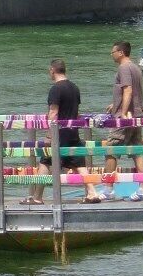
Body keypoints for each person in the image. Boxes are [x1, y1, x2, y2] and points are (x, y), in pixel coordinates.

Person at [23, 59, 103, 205]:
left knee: (45, 162)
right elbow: (76, 113)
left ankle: (37, 197)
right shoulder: (75, 88)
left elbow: (53, 112)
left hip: (59, 133)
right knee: (79, 163)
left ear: (52, 70)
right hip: (73, 132)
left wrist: (49, 134)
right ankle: (92, 192)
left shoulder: (56, 89)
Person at [103, 41, 143, 201]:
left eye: (113, 52)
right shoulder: (136, 67)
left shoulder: (123, 68)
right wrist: (114, 104)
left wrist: (122, 113)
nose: (112, 54)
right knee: (137, 150)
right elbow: (132, 92)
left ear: (121, 52)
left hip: (126, 117)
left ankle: (108, 189)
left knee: (111, 150)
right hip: (137, 115)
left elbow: (128, 89)